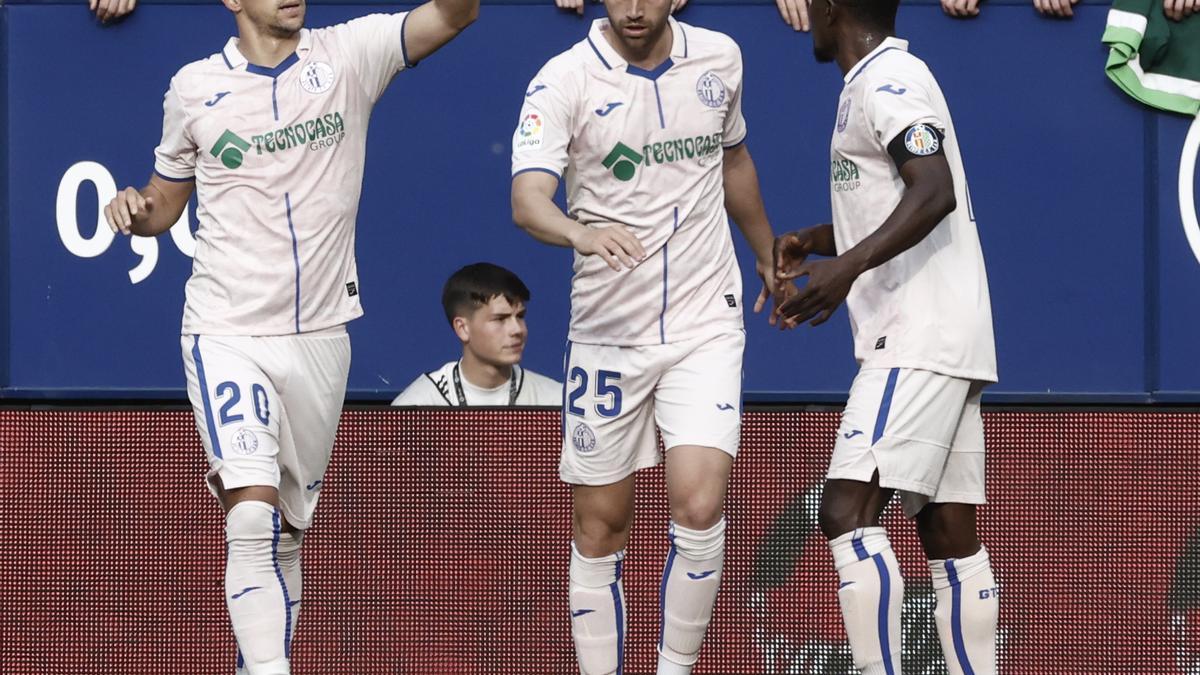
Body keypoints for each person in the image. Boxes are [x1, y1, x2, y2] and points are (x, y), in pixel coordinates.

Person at [100, 0, 478, 670]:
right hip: (226, 327)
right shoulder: (193, 88)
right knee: (250, 513)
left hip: (323, 335)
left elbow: (455, 15)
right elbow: (165, 200)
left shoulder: (350, 54)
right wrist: (135, 207)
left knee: (285, 536)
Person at [510, 1, 786, 673]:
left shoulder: (719, 57)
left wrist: (767, 253)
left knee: (699, 500)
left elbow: (734, 160)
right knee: (600, 526)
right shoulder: (564, 78)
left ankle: (674, 666)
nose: (634, 9)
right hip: (609, 331)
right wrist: (581, 232)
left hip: (705, 318)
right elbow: (527, 199)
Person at [772, 0, 1000, 672]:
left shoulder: (888, 81)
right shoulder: (868, 83)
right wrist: (819, 239)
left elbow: (933, 191)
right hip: (945, 333)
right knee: (946, 528)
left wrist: (844, 267)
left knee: (846, 510)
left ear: (834, 7)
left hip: (915, 333)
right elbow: (895, 203)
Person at [391, 262, 561, 406]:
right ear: (462, 328)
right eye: (500, 319)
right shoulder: (418, 406)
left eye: (520, 316)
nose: (517, 330)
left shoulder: (555, 401)